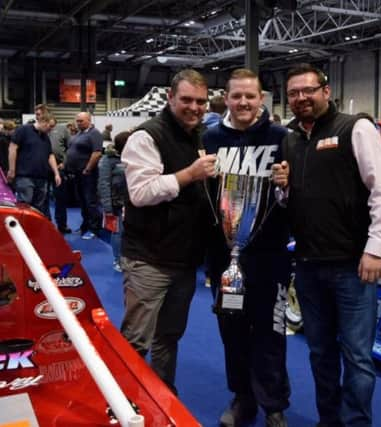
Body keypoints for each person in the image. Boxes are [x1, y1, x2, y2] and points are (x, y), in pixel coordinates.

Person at [273, 63, 381, 427]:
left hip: (352, 266)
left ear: (326, 91)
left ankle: (356, 423)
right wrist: (282, 187)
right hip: (309, 265)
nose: (301, 98)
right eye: (293, 93)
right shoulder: (291, 138)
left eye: (308, 90)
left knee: (357, 357)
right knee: (319, 353)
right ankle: (329, 421)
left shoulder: (355, 127)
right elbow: (292, 202)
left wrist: (376, 249)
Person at [119, 68, 217, 392]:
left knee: (169, 337)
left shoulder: (200, 135)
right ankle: (123, 403)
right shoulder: (146, 136)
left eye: (201, 101)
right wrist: (188, 174)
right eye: (187, 100)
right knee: (135, 341)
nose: (195, 107)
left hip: (185, 260)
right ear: (171, 98)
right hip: (148, 259)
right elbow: (141, 192)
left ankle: (162, 397)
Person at [203, 68, 291, 427]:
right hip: (224, 259)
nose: (243, 102)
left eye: (250, 96)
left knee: (271, 331)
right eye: (236, 95)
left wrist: (288, 185)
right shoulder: (209, 139)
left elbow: (296, 197)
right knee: (233, 331)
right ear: (226, 97)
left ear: (261, 99)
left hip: (270, 256)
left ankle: (273, 404)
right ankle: (242, 397)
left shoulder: (281, 137)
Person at [7, 113, 61, 216]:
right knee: (24, 207)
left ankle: (34, 231)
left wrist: (56, 173)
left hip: (42, 178)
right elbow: (12, 148)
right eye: (50, 126)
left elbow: (50, 155)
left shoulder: (45, 137)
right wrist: (12, 170)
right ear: (43, 121)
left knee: (39, 209)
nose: (51, 130)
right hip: (25, 177)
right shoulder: (23, 130)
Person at [64, 112, 104, 239]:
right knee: (82, 201)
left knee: (90, 201)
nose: (78, 123)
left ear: (88, 120)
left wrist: (88, 168)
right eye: (77, 121)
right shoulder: (79, 133)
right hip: (76, 173)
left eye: (81, 121)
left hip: (88, 174)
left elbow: (97, 153)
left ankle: (94, 229)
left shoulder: (94, 133)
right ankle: (85, 225)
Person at [97, 131, 130, 272]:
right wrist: (107, 207)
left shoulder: (133, 157)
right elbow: (104, 183)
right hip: (116, 203)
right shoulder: (108, 160)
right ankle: (118, 260)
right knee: (117, 232)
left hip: (133, 202)